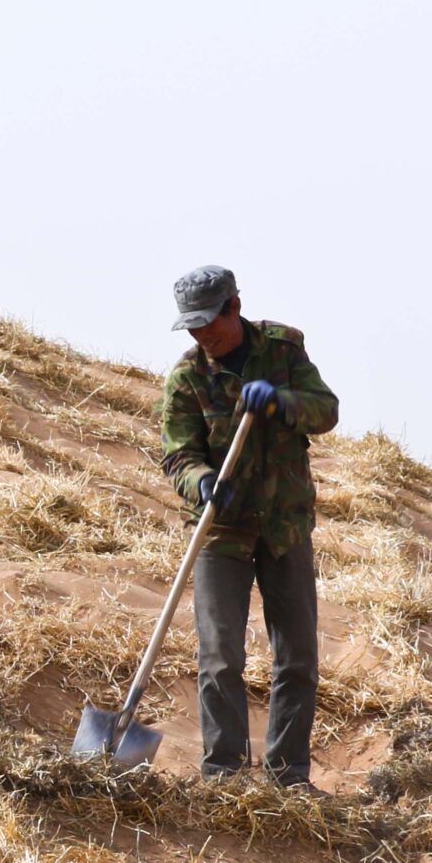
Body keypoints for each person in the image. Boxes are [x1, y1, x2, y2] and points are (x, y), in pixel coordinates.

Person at [158, 265, 340, 788]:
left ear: (233, 307)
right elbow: (178, 456)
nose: (203, 336)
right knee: (219, 659)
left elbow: (325, 411)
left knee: (298, 658)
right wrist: (203, 482)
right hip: (221, 532)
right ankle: (225, 778)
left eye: (209, 323)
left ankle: (288, 777)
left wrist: (282, 404)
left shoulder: (283, 350)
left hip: (284, 526)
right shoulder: (187, 378)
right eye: (193, 327)